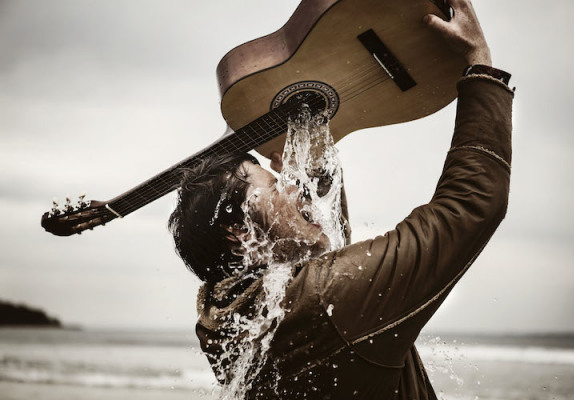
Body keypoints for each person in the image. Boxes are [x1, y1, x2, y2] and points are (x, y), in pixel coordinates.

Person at [168, 0, 514, 398]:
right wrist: (481, 68)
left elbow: (321, 258)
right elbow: (469, 208)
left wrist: (312, 157)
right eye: (275, 185)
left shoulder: (222, 319)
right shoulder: (324, 302)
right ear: (240, 235)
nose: (293, 186)